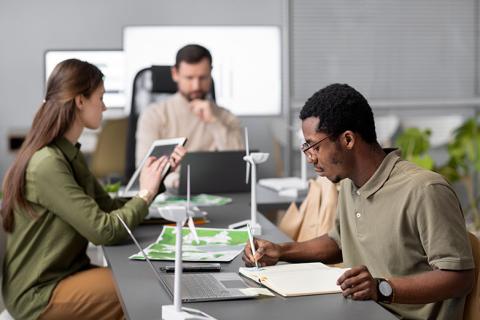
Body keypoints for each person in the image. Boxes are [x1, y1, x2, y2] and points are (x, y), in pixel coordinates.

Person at [243, 83, 475, 319]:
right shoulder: (348, 184)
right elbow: (338, 242)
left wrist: (382, 288)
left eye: (313, 146)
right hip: (358, 312)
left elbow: (460, 278)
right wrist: (281, 250)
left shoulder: (425, 190)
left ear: (347, 140)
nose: (310, 158)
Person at [1, 59, 186, 320]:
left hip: (67, 274)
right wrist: (144, 194)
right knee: (146, 287)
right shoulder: (48, 164)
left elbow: (108, 208)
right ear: (80, 101)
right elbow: (105, 230)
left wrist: (153, 184)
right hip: (39, 293)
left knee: (146, 278)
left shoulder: (68, 155)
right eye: (100, 97)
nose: (105, 106)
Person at [135, 43, 244, 167]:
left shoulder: (227, 118)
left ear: (210, 73)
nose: (196, 86)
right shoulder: (153, 115)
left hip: (215, 185)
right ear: (175, 74)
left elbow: (240, 164)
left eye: (202, 77)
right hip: (171, 185)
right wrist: (179, 181)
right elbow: (145, 167)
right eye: (189, 78)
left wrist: (214, 122)